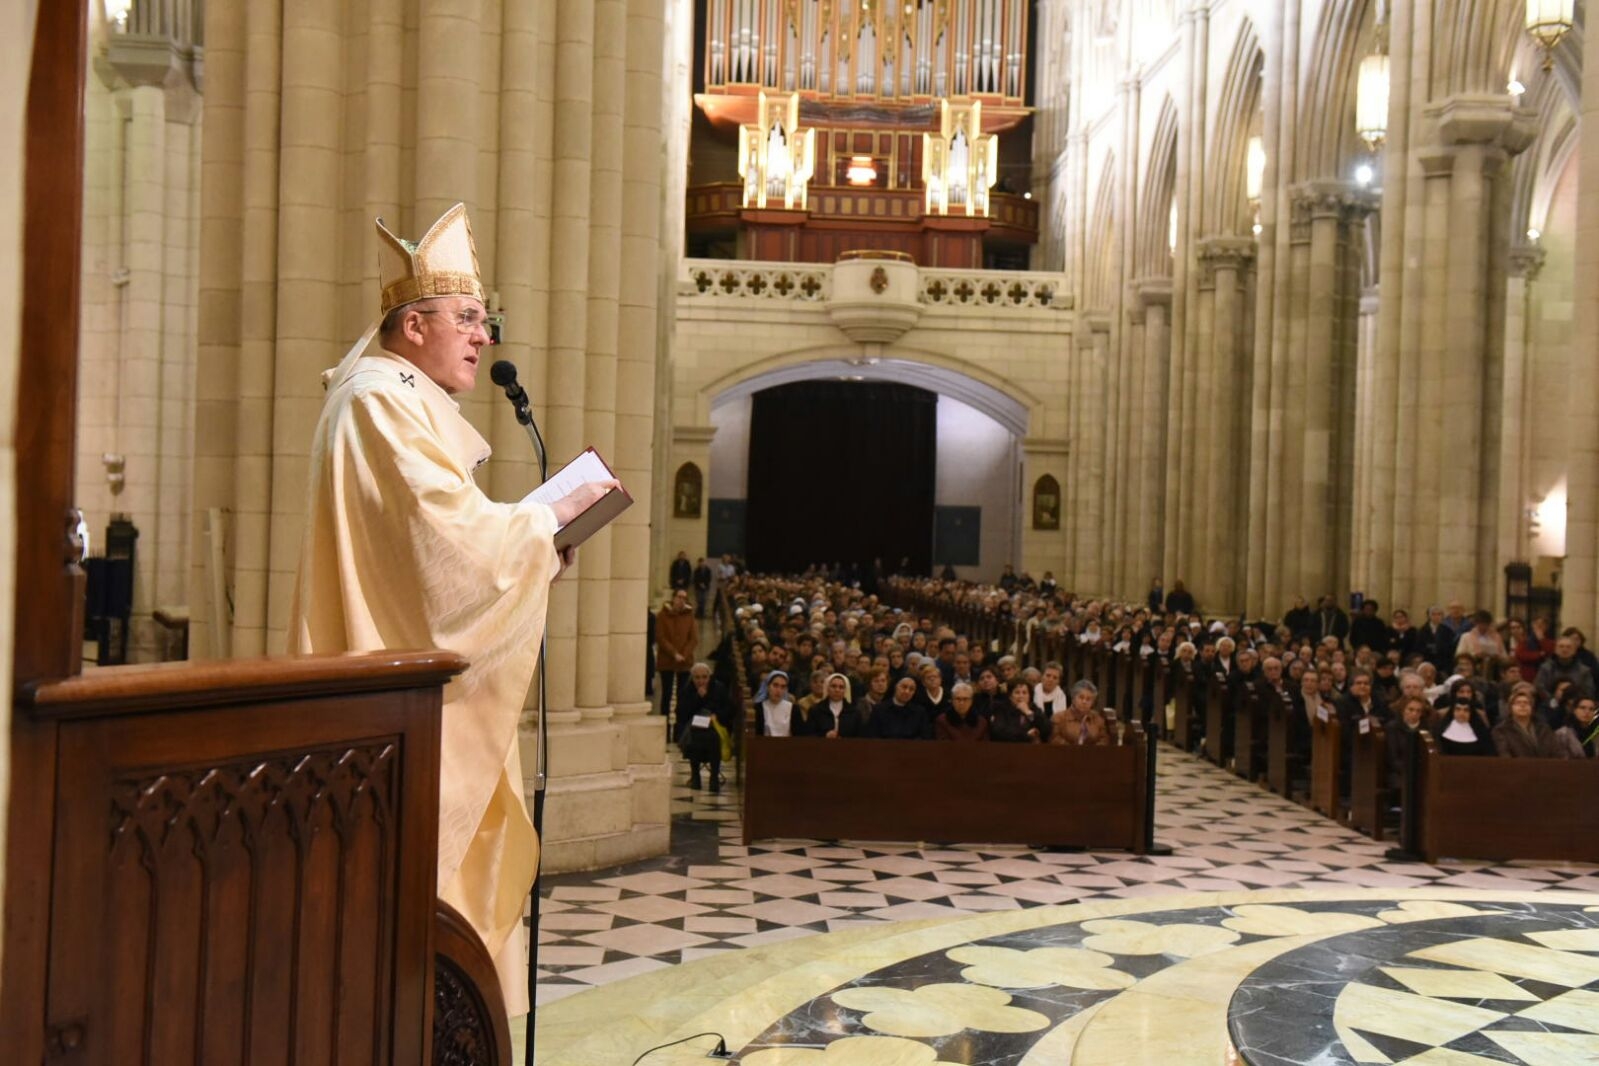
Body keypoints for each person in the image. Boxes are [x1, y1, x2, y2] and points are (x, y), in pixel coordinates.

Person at [289, 203, 616, 1016]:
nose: (483, 337)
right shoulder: (378, 399)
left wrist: (533, 547)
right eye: (467, 318)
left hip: (411, 690)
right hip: (400, 699)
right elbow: (446, 544)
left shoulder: (394, 395)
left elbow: (447, 542)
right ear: (411, 325)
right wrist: (539, 524)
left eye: (483, 320)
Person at [676, 663, 735, 791]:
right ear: (692, 678)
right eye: (697, 678)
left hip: (715, 725)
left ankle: (714, 777)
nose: (701, 681)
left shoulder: (719, 688)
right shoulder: (687, 689)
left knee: (713, 737)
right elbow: (681, 712)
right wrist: (698, 698)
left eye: (704, 677)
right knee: (695, 736)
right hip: (693, 726)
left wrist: (716, 715)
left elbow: (729, 710)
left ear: (710, 677)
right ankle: (696, 776)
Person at [656, 588, 698, 718]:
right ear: (673, 598)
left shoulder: (689, 616)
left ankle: (680, 725)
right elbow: (661, 637)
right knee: (667, 694)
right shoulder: (662, 615)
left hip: (684, 661)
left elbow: (693, 639)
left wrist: (684, 655)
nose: (681, 600)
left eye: (684, 598)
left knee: (683, 694)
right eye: (679, 597)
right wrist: (674, 653)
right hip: (667, 660)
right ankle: (664, 724)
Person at [1491, 689, 1565, 758]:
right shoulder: (1501, 730)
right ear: (1510, 708)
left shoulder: (1544, 729)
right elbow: (1504, 756)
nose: (1522, 705)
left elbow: (1557, 753)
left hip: (1546, 768)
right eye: (1518, 703)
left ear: (1532, 708)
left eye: (1526, 703)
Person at [1434, 680, 1494, 756]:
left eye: (1466, 710)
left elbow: (1487, 747)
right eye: (1458, 709)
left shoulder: (1480, 717)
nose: (1465, 695)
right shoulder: (1442, 715)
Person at [863, 677, 933, 739]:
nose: (907, 691)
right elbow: (872, 736)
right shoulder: (879, 710)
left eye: (911, 689)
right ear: (895, 687)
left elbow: (925, 737)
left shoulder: (920, 712)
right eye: (904, 687)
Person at [799, 673, 860, 738]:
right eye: (833, 686)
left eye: (841, 687)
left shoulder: (854, 712)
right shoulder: (816, 710)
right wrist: (824, 735)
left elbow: (859, 738)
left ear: (845, 690)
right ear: (827, 688)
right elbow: (808, 735)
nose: (837, 690)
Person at [1050, 680, 1110, 746]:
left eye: (1088, 699)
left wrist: (1090, 752)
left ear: (1092, 703)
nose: (1084, 702)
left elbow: (1104, 740)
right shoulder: (1059, 718)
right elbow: (1055, 739)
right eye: (1081, 697)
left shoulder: (1098, 720)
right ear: (1073, 698)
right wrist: (1075, 752)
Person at [754, 670, 794, 736]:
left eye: (783, 687)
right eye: (775, 685)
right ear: (768, 687)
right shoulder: (758, 708)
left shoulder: (793, 709)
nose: (778, 690)